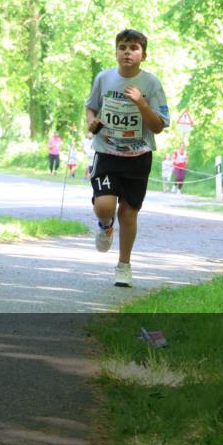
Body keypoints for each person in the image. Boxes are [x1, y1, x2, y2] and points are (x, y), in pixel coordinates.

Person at [86, 29, 169, 288]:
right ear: (116, 52)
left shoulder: (151, 84)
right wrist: (92, 122)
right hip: (107, 152)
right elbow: (91, 107)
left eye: (133, 48)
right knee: (105, 206)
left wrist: (141, 104)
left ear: (143, 54)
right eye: (122, 47)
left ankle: (124, 265)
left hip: (138, 156)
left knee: (129, 213)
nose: (127, 52)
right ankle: (104, 225)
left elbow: (158, 126)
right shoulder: (104, 78)